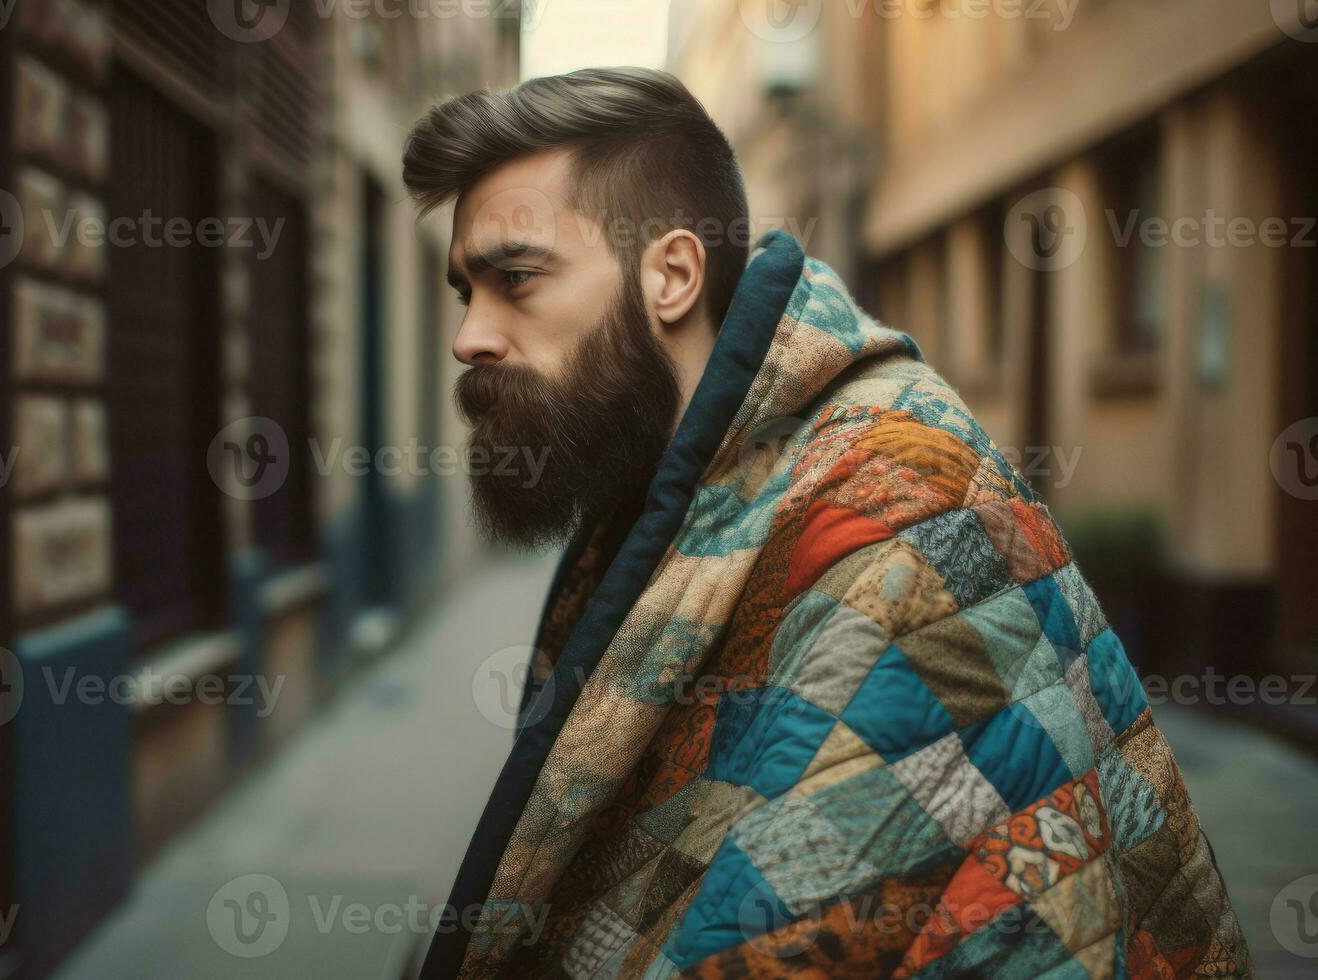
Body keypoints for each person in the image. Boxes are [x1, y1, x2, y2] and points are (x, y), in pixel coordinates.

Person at [403, 67, 1250, 979]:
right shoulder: (663, 468)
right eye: (465, 293)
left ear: (673, 276)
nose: (470, 337)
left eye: (516, 279)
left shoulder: (899, 506)